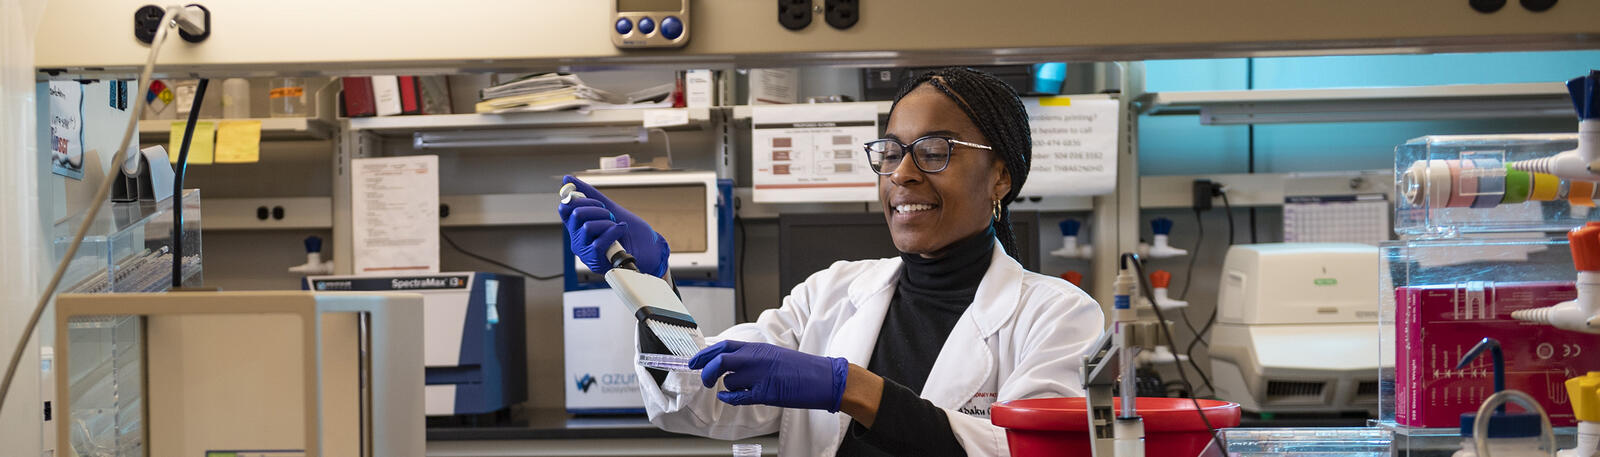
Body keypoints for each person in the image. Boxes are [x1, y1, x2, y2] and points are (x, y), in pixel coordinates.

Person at [558, 67, 1105, 456]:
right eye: (890, 152)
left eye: (935, 150)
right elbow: (698, 400)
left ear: (1002, 178)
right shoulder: (832, 293)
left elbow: (1029, 451)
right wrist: (651, 290)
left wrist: (852, 388)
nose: (902, 174)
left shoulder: (1056, 315)